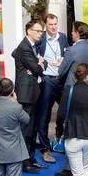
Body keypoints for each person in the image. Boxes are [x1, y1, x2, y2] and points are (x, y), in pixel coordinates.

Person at [55, 22, 88, 176]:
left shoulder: (72, 51)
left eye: (72, 31)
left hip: (74, 95)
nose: (71, 34)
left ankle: (70, 167)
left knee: (72, 130)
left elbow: (61, 72)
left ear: (77, 33)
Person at [34, 13, 69, 164]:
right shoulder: (40, 39)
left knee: (65, 112)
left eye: (55, 24)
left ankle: (59, 138)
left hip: (61, 80)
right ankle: (45, 149)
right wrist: (38, 61)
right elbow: (33, 55)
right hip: (47, 80)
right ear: (45, 26)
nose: (54, 27)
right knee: (44, 115)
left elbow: (67, 55)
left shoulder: (63, 38)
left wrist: (63, 61)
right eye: (50, 25)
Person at [11, 20, 45, 174]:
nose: (40, 33)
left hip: (33, 92)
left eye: (41, 31)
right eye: (37, 31)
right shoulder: (24, 47)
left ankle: (30, 157)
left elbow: (36, 67)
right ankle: (24, 162)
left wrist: (37, 65)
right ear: (29, 31)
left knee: (33, 128)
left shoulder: (31, 46)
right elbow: (38, 69)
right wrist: (39, 64)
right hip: (26, 94)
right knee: (26, 129)